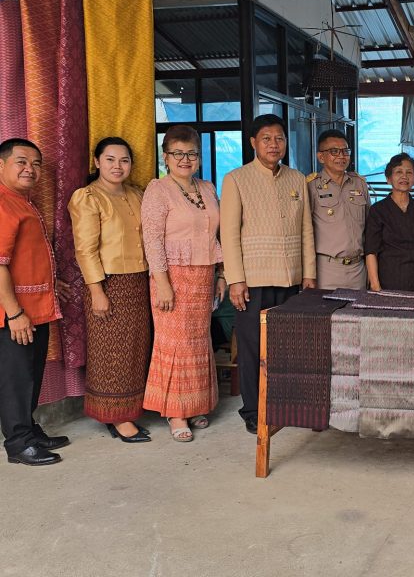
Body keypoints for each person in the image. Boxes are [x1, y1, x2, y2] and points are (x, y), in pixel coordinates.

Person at [220, 114, 316, 434]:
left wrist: (309, 273)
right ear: (253, 143)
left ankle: (282, 402)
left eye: (279, 138)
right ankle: (253, 409)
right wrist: (236, 279)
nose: (274, 144)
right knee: (252, 347)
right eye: (266, 138)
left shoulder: (296, 178)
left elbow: (306, 229)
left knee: (286, 345)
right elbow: (229, 234)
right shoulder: (236, 179)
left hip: (290, 278)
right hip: (254, 279)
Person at [141, 125, 224, 442]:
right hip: (171, 276)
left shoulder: (207, 188)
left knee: (198, 341)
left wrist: (221, 274)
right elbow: (152, 240)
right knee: (175, 344)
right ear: (165, 157)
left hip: (203, 274)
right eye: (177, 153)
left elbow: (213, 234)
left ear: (199, 157)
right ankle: (176, 412)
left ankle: (195, 404)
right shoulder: (158, 190)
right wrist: (162, 283)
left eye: (191, 153)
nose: (185, 159)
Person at [68, 137, 152, 444]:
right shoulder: (88, 197)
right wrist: (97, 292)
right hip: (108, 283)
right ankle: (115, 416)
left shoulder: (137, 194)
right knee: (111, 353)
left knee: (135, 349)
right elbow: (85, 250)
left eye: (124, 160)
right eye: (110, 159)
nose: (118, 166)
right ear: (97, 162)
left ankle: (130, 408)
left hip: (139, 282)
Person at [0, 138, 70, 466]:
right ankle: (18, 444)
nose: (30, 169)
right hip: (15, 314)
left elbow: (25, 258)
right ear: (1, 165)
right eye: (22, 162)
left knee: (30, 374)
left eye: (36, 164)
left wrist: (52, 283)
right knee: (16, 379)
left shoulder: (23, 202)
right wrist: (14, 313)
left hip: (37, 308)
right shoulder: (3, 204)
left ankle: (28, 430)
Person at [365, 153, 414, 292]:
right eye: (398, 172)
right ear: (388, 179)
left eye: (409, 172)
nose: (404, 176)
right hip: (388, 283)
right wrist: (375, 286)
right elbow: (371, 252)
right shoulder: (378, 210)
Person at [306, 129, 370, 289]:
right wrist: (308, 273)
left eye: (345, 151)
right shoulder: (311, 186)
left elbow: (370, 226)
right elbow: (305, 231)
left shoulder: (359, 183)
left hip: (358, 269)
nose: (341, 156)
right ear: (321, 157)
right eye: (334, 151)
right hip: (326, 269)